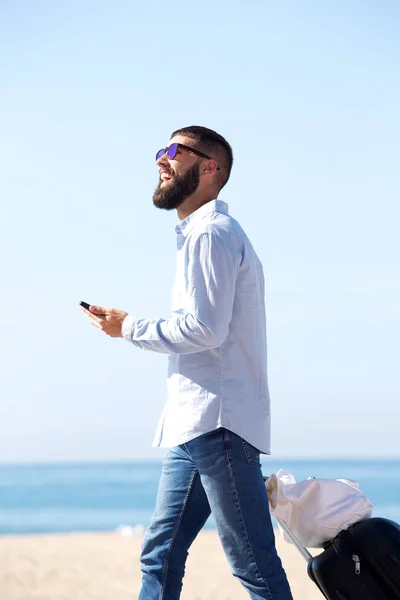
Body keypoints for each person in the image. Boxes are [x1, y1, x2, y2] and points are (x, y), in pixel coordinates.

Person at [81, 125, 293, 600]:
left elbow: (204, 330)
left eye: (174, 151)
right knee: (160, 554)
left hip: (217, 425)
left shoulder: (211, 234)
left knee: (253, 564)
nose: (162, 160)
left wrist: (128, 326)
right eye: (161, 150)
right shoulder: (202, 235)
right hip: (196, 426)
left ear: (209, 168)